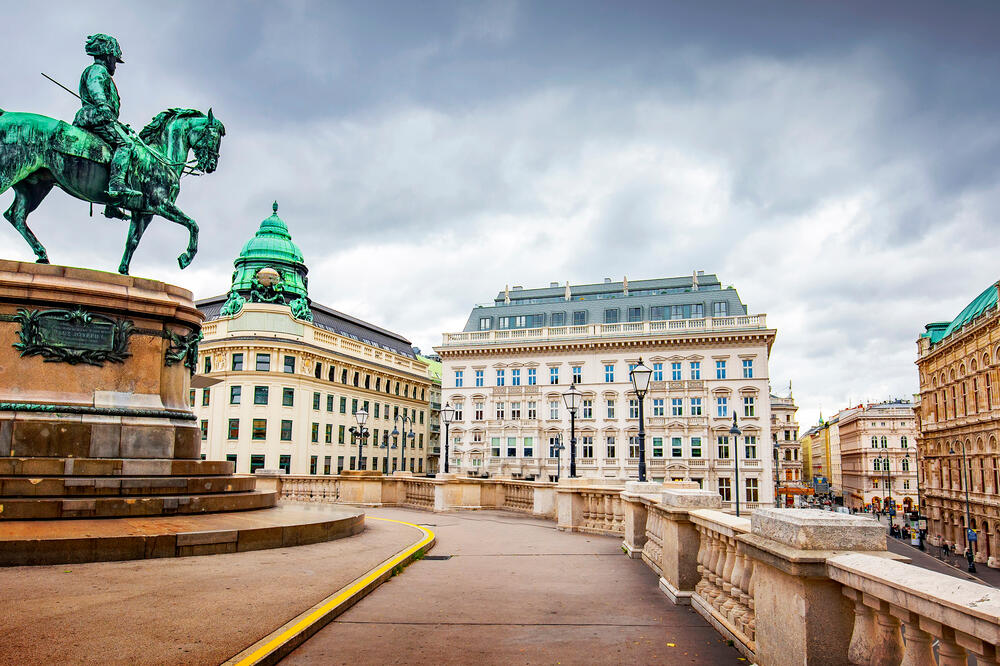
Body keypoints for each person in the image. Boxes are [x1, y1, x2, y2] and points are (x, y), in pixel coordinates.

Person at [72, 33, 140, 218]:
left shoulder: (98, 71)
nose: (115, 65)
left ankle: (111, 204)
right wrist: (102, 105)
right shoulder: (97, 71)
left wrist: (117, 124)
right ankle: (116, 184)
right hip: (96, 116)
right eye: (115, 60)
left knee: (116, 146)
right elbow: (96, 88)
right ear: (108, 55)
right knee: (125, 145)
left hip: (102, 117)